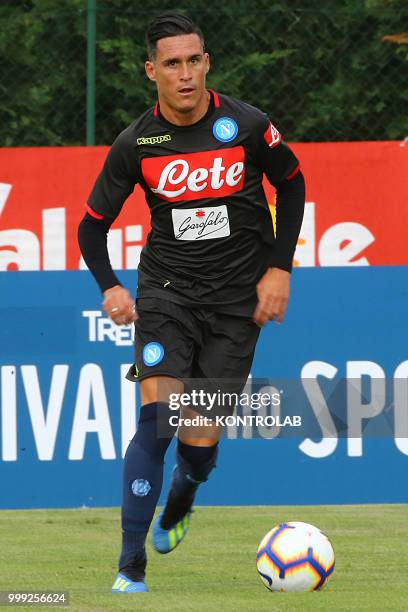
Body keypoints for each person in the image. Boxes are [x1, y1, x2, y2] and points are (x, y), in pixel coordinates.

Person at [78, 12, 305, 594]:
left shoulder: (249, 126)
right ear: (151, 70)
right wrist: (110, 286)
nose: (186, 74)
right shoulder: (136, 143)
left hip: (237, 304)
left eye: (194, 60)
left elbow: (294, 182)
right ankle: (130, 567)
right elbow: (91, 226)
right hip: (167, 296)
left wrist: (279, 266)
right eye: (172, 63)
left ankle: (185, 492)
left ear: (207, 62)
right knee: (156, 423)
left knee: (199, 444)